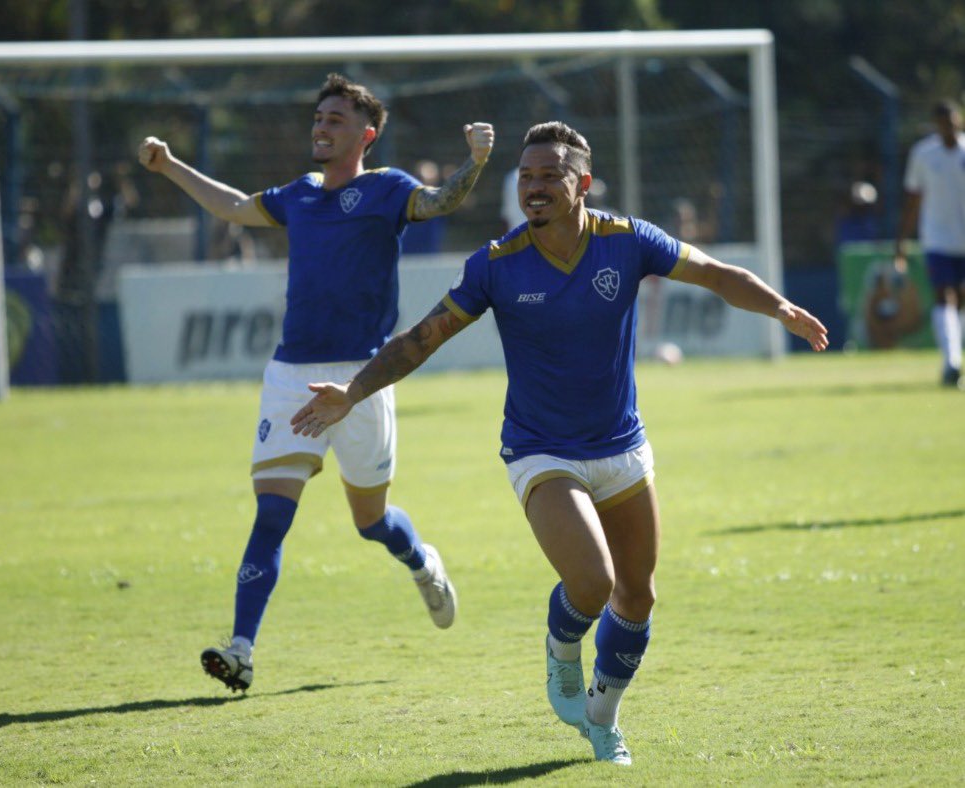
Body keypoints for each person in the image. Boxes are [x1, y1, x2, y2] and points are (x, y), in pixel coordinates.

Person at [291, 121, 827, 766]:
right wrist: (353, 390)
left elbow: (713, 273)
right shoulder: (496, 263)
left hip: (621, 445)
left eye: (550, 175)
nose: (535, 187)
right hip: (540, 449)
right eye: (527, 177)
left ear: (583, 183)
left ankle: (604, 718)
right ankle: (561, 650)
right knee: (592, 581)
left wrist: (780, 308)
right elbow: (420, 340)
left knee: (639, 593)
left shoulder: (627, 240)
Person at [138, 73, 494, 693]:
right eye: (319, 117)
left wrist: (477, 160)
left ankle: (420, 561)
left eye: (335, 119)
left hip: (363, 378)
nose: (321, 127)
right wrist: (170, 166)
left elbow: (442, 203)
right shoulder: (298, 195)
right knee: (271, 516)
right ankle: (241, 649)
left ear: (367, 134)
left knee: (371, 521)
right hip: (291, 376)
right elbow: (231, 206)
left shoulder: (388, 189)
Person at [894, 99, 965, 388]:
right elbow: (913, 199)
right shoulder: (924, 155)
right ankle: (951, 363)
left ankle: (955, 357)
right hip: (936, 239)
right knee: (943, 296)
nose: (948, 127)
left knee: (960, 300)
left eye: (952, 121)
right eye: (942, 122)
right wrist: (901, 239)